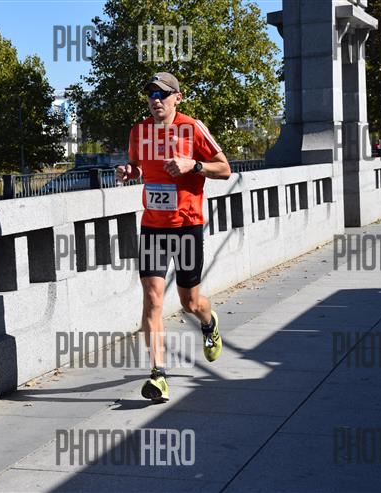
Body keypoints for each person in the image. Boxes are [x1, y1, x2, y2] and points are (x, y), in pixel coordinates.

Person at [116, 72, 231, 402]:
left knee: (189, 302)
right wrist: (129, 172)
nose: (155, 100)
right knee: (153, 299)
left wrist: (193, 166)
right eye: (151, 94)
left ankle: (209, 323)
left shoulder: (192, 128)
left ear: (177, 97)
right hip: (153, 226)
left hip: (187, 226)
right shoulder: (139, 131)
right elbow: (139, 167)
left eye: (162, 94)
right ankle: (158, 375)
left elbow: (224, 169)